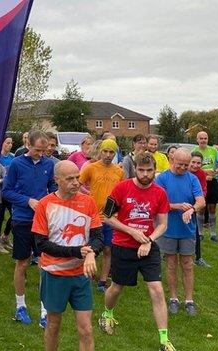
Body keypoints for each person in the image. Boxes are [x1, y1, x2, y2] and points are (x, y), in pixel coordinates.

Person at [98, 152, 175, 351]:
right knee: (116, 287)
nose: (145, 174)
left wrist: (149, 239)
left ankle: (164, 340)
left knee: (157, 290)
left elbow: (163, 224)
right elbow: (106, 216)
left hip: (148, 248)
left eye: (149, 170)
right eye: (141, 170)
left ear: (155, 170)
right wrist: (131, 231)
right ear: (135, 169)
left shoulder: (160, 193)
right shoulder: (121, 188)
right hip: (123, 246)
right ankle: (107, 314)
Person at [33, 160, 103, 351]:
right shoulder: (45, 204)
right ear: (57, 180)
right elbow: (42, 244)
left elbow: (98, 237)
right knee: (53, 325)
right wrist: (77, 252)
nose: (76, 183)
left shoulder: (88, 202)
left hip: (80, 276)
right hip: (54, 275)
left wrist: (90, 255)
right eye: (70, 179)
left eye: (77, 178)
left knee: (87, 329)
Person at [2, 130, 57, 327]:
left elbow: (52, 186)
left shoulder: (49, 164)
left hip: (43, 221)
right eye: (37, 150)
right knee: (23, 263)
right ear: (28, 146)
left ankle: (44, 309)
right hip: (22, 219)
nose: (40, 154)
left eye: (43, 151)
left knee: (44, 263)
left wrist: (55, 198)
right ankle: (20, 306)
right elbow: (6, 191)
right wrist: (28, 201)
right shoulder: (17, 163)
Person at [155, 149, 205, 316]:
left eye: (186, 165)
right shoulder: (162, 178)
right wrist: (177, 206)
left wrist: (191, 209)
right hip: (168, 228)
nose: (183, 168)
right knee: (170, 264)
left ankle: (189, 300)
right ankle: (174, 298)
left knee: (188, 264)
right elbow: (157, 204)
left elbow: (201, 201)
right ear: (172, 160)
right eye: (180, 165)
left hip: (187, 229)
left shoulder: (192, 178)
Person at [79, 138, 124, 293]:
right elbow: (76, 185)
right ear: (100, 151)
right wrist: (85, 201)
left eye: (111, 152)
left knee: (107, 250)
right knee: (88, 247)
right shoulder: (91, 168)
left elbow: (122, 195)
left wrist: (118, 212)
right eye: (105, 151)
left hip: (110, 217)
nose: (107, 155)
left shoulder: (119, 171)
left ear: (115, 153)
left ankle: (103, 281)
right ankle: (87, 275)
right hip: (91, 216)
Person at [192, 131, 218, 242]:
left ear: (208, 139)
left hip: (212, 181)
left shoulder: (214, 151)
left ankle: (213, 234)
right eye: (201, 138)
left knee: (212, 208)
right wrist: (205, 173)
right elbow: (192, 168)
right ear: (197, 139)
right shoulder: (194, 152)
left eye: (205, 138)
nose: (203, 140)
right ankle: (200, 233)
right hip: (199, 182)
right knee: (201, 208)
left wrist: (214, 172)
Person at [189, 152, 210, 268]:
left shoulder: (200, 174)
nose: (196, 165)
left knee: (194, 231)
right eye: (193, 162)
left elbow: (203, 190)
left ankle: (198, 257)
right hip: (178, 205)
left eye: (198, 163)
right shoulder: (182, 171)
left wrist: (198, 201)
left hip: (193, 205)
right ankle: (166, 254)